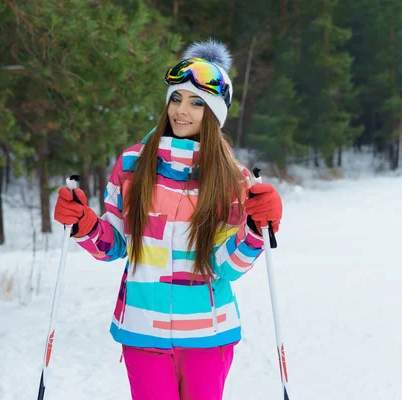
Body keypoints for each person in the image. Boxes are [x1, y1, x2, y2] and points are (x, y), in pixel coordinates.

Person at [53, 39, 283, 400]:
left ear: (214, 114)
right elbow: (114, 246)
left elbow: (227, 267)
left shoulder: (233, 179)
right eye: (176, 98)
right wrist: (82, 223)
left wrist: (255, 227)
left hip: (208, 334)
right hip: (143, 329)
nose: (182, 111)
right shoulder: (132, 165)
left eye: (196, 103)